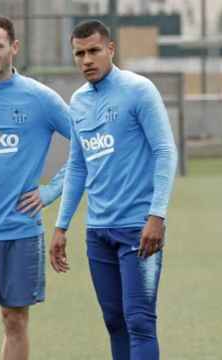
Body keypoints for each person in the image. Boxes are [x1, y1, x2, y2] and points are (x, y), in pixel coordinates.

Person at [49, 20, 177, 360]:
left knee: (139, 321)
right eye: (79, 53)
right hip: (98, 232)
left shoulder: (139, 90)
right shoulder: (77, 101)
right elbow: (78, 166)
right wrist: (61, 226)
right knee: (114, 322)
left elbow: (165, 151)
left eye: (93, 51)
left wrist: (157, 215)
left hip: (138, 227)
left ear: (110, 49)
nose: (87, 60)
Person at [0, 13, 71, 360]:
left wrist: (51, 190)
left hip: (19, 231)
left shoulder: (39, 98)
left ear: (14, 48)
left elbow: (89, 145)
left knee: (14, 320)